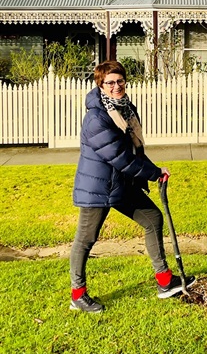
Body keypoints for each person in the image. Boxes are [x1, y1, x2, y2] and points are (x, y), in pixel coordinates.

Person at [69, 60, 194, 312]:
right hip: (99, 187)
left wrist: (155, 169)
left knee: (152, 219)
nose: (116, 86)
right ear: (100, 85)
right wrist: (153, 173)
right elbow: (120, 157)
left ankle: (165, 282)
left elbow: (134, 149)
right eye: (110, 82)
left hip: (121, 184)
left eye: (120, 81)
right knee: (86, 239)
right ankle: (77, 295)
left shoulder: (125, 109)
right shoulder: (96, 118)